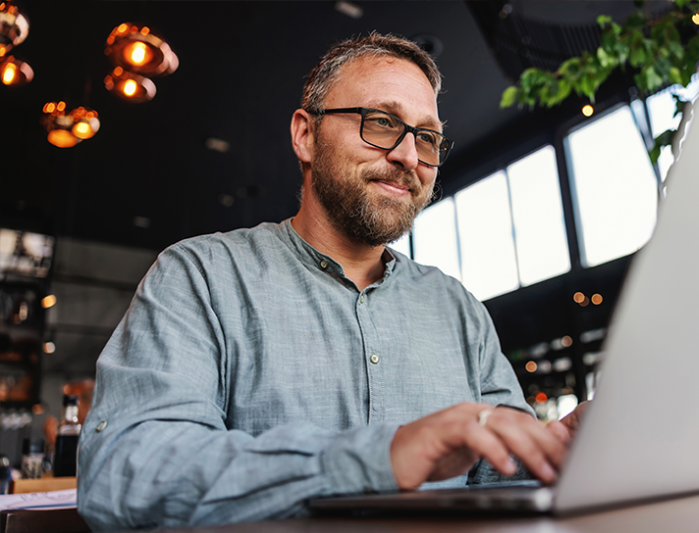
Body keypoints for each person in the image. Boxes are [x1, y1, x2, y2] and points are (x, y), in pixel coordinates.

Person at [77, 33, 584, 531]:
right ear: (305, 135)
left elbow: (502, 479)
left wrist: (562, 450)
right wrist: (377, 458)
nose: (409, 156)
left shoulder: (458, 308)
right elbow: (124, 473)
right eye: (382, 122)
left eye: (427, 138)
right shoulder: (201, 277)